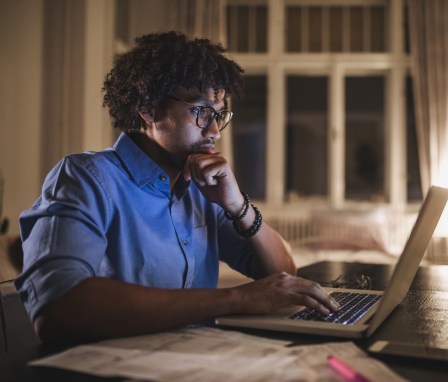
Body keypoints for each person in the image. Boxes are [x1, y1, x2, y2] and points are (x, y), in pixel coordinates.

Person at [15, 31, 339, 343]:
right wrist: (236, 298)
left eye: (219, 114)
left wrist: (238, 205)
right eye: (200, 111)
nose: (214, 130)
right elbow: (58, 308)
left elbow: (284, 272)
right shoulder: (86, 178)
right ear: (149, 108)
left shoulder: (202, 189)